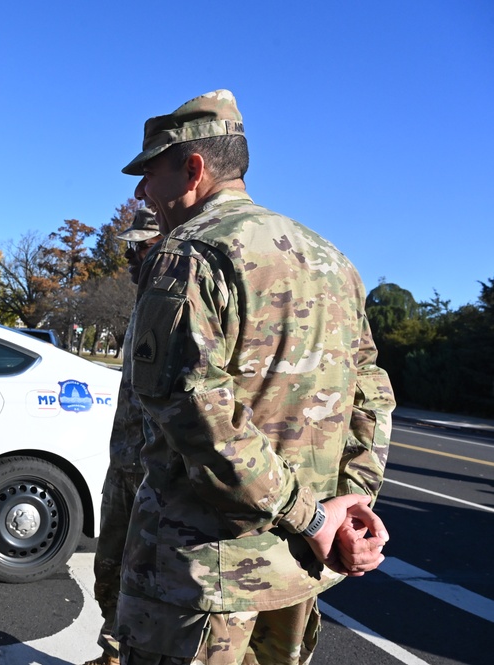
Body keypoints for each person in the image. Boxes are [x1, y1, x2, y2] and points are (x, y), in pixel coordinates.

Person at [114, 90, 396, 665]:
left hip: (206, 578)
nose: (141, 191)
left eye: (150, 171)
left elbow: (198, 417)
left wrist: (317, 518)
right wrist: (352, 505)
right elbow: (371, 390)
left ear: (193, 168)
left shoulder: (188, 255)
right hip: (297, 569)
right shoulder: (334, 260)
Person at [84, 207, 162, 665]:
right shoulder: (142, 304)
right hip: (124, 466)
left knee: (153, 584)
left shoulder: (183, 301)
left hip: (158, 474)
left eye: (143, 245)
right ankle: (112, 653)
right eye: (130, 246)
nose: (132, 255)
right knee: (109, 570)